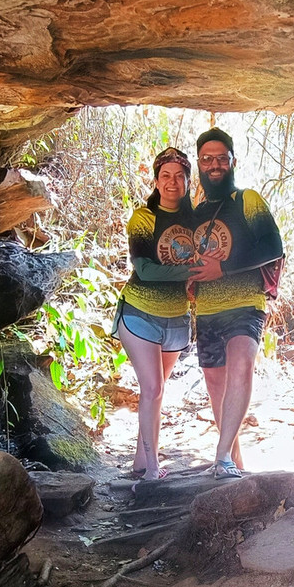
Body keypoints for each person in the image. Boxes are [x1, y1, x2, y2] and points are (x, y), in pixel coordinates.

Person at [187, 127, 285, 479]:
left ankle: (222, 456)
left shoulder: (248, 200)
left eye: (221, 159)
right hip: (208, 309)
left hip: (246, 302)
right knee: (215, 385)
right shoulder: (195, 212)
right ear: (199, 164)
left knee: (242, 364)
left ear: (233, 162)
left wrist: (223, 267)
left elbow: (272, 246)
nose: (215, 165)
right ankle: (235, 463)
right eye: (207, 159)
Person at [112, 147, 197, 481]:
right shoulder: (143, 219)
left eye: (179, 176)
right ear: (156, 180)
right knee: (152, 389)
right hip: (140, 313)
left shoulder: (197, 220)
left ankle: (140, 462)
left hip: (176, 318)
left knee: (157, 391)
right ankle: (153, 469)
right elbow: (145, 269)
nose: (172, 182)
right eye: (166, 175)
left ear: (188, 180)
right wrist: (190, 271)